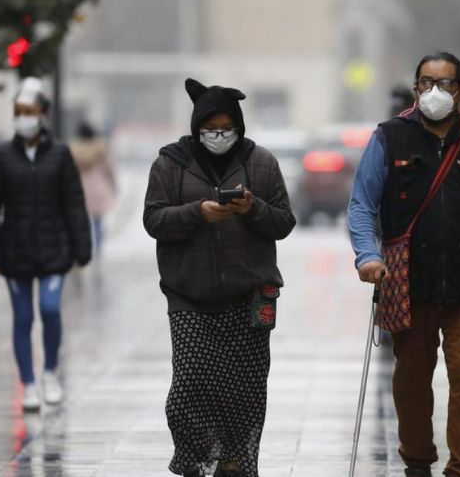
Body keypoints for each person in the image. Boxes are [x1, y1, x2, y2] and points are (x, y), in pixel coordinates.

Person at [348, 51, 460, 477]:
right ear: (415, 89)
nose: (434, 91)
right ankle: (417, 462)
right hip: (409, 283)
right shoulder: (388, 138)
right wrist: (367, 256)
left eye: (445, 83)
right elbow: (360, 205)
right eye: (426, 82)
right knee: (411, 382)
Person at [143, 78, 295, 477]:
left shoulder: (261, 163)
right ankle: (195, 458)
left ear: (240, 128)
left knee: (243, 391)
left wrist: (251, 207)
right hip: (188, 293)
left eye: (226, 128)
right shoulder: (170, 163)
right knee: (190, 385)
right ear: (196, 129)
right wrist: (198, 212)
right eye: (210, 129)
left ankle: (233, 461)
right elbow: (154, 219)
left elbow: (283, 222)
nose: (218, 136)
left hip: (249, 294)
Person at [0, 77, 92, 411]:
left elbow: (73, 201)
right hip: (15, 253)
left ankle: (51, 371)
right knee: (23, 318)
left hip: (53, 251)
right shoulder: (0, 155)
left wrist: (81, 246)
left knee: (50, 309)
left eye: (29, 111)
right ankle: (27, 383)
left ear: (42, 113)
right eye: (18, 111)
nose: (23, 117)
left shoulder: (59, 154)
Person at [70, 122, 117, 257]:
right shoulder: (101, 150)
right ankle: (97, 250)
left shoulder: (74, 151)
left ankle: (83, 248)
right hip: (98, 191)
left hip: (80, 190)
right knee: (97, 223)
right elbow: (109, 171)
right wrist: (114, 187)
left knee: (82, 222)